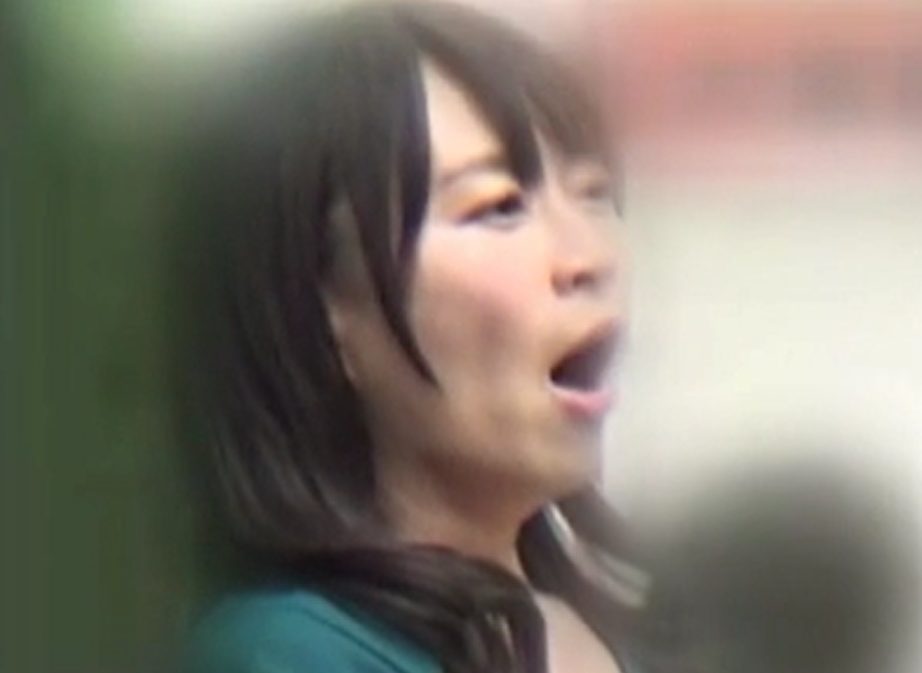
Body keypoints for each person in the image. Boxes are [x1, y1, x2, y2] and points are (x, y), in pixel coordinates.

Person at [173, 2, 647, 672]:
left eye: (594, 194)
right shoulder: (284, 653)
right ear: (323, 309)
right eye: (498, 207)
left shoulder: (626, 625)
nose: (589, 256)